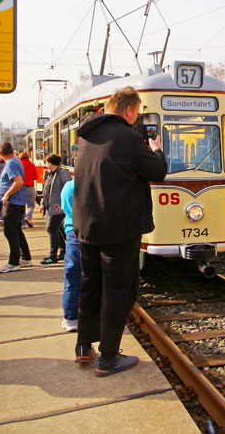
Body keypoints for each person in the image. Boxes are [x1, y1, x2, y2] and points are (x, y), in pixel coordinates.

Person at [73, 86, 166, 376]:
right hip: (119, 228)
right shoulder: (128, 137)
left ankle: (83, 347)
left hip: (86, 225)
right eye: (136, 113)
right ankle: (109, 357)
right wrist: (156, 150)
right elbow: (157, 172)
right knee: (118, 290)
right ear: (128, 110)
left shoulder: (87, 135)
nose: (136, 118)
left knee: (90, 285)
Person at [0, 142, 32, 273]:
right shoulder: (15, 162)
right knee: (17, 231)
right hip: (17, 203)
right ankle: (26, 257)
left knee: (10, 233)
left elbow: (18, 182)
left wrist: (6, 195)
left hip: (13, 203)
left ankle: (13, 262)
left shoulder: (11, 163)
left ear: (0, 154)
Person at [39, 154, 71, 264]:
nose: (46, 165)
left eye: (47, 162)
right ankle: (63, 251)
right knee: (57, 228)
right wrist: (43, 203)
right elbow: (46, 190)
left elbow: (67, 188)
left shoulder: (63, 173)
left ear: (51, 163)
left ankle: (52, 255)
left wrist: (63, 204)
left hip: (57, 207)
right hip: (50, 206)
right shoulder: (49, 174)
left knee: (51, 228)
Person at [60, 177, 79, 332]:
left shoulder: (68, 186)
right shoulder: (94, 184)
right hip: (89, 232)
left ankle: (70, 318)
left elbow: (65, 208)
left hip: (72, 231)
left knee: (71, 278)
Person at [18, 150, 37, 228]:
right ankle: (28, 217)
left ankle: (22, 223)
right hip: (30, 187)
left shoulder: (18, 165)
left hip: (20, 187)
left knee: (21, 205)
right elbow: (35, 176)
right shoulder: (31, 165)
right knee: (31, 205)